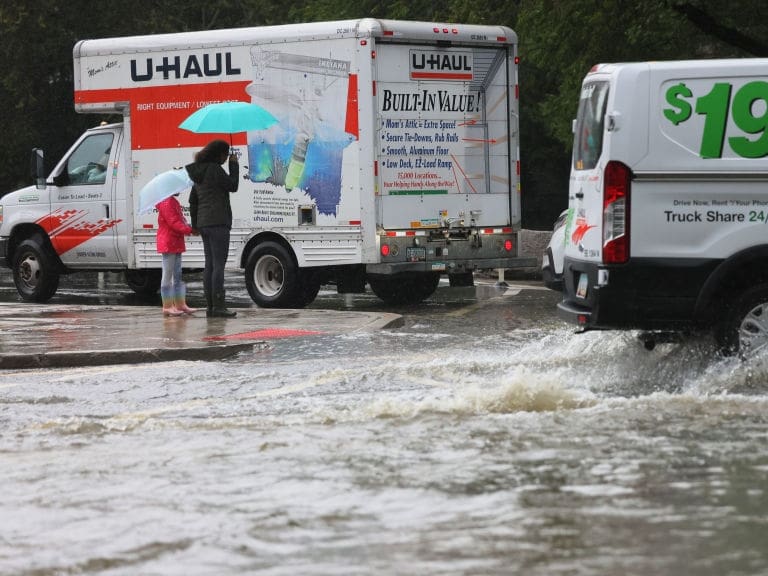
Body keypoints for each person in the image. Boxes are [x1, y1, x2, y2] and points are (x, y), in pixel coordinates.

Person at [187, 139, 239, 317]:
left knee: (209, 264)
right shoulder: (215, 170)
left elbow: (193, 201)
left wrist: (195, 224)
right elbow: (233, 185)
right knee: (218, 265)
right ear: (219, 154)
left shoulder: (198, 171)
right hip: (218, 222)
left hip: (204, 224)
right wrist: (234, 165)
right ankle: (219, 306)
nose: (226, 158)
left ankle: (210, 306)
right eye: (225, 155)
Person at [156, 193, 198, 316]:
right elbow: (174, 222)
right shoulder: (167, 202)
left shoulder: (172, 201)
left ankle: (180, 304)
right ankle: (167, 306)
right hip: (169, 242)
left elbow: (179, 220)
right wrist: (190, 230)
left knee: (177, 274)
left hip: (175, 241)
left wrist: (187, 226)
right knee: (168, 274)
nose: (180, 191)